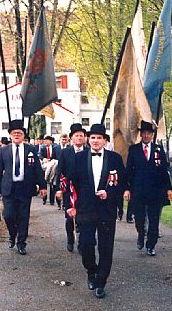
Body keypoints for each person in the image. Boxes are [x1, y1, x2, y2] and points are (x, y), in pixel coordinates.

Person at [68, 123, 130, 298]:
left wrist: (108, 192)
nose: (95, 141)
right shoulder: (79, 158)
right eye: (93, 137)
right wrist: (70, 205)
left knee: (106, 247)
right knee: (86, 244)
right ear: (88, 139)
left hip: (106, 210)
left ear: (105, 140)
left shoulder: (115, 158)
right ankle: (91, 271)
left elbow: (123, 183)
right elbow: (71, 183)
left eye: (99, 138)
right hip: (85, 209)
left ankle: (101, 281)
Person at [0, 119, 47, 255]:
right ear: (10, 135)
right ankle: (12, 234)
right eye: (14, 133)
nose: (17, 135)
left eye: (20, 133)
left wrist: (42, 186)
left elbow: (37, 169)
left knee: (23, 216)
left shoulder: (31, 149)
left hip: (25, 188)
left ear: (23, 135)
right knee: (8, 215)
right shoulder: (3, 151)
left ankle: (21, 243)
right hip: (8, 188)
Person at [125, 120, 172, 257]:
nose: (146, 135)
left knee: (154, 220)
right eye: (144, 133)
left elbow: (164, 170)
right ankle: (141, 235)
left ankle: (151, 245)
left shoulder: (159, 150)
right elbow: (129, 170)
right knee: (139, 219)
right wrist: (127, 188)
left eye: (149, 133)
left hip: (156, 191)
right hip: (138, 190)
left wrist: (169, 188)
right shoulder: (134, 150)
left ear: (152, 135)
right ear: (141, 134)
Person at [55, 123, 88, 253]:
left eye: (81, 136)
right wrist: (59, 189)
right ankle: (70, 239)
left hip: (85, 190)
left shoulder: (88, 152)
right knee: (70, 218)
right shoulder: (65, 152)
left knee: (83, 218)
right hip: (69, 189)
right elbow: (60, 171)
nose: (79, 138)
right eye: (76, 136)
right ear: (71, 138)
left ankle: (81, 242)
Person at [40, 135, 57, 205]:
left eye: (47, 140)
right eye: (45, 140)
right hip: (45, 166)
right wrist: (44, 159)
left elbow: (57, 157)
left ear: (50, 141)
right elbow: (39, 155)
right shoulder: (42, 148)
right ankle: (44, 198)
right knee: (44, 183)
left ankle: (52, 200)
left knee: (52, 184)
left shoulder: (55, 148)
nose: (45, 142)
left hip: (52, 167)